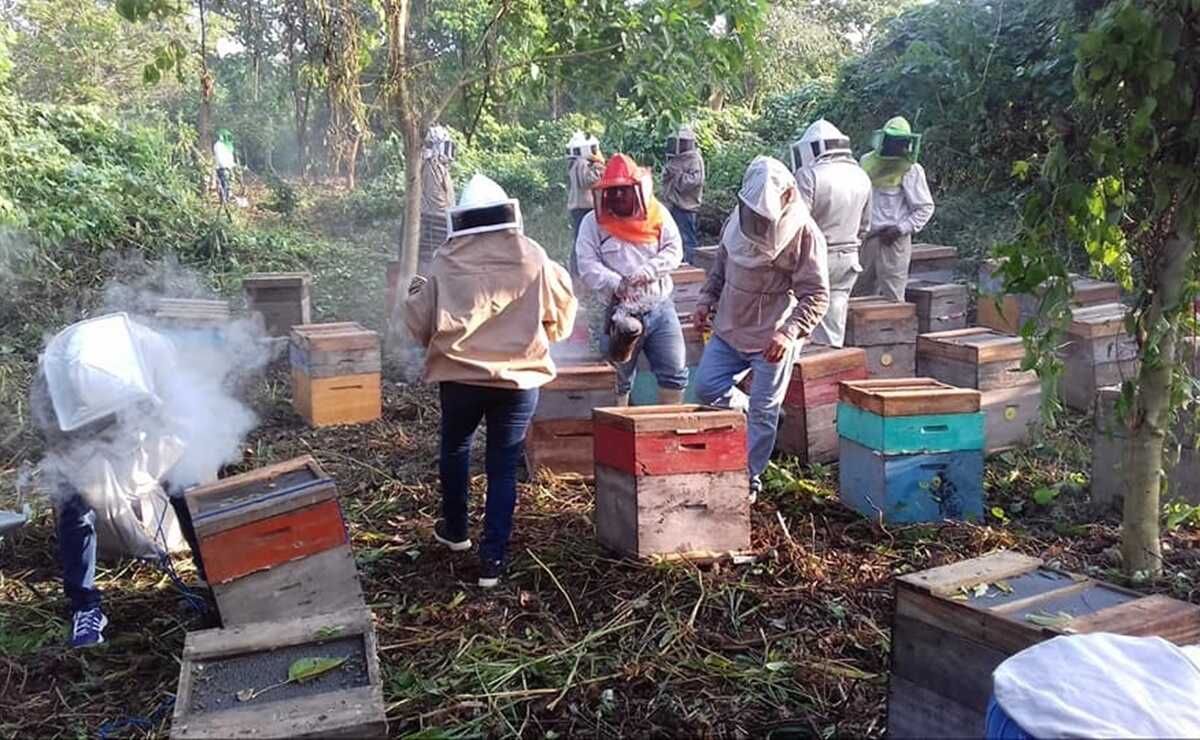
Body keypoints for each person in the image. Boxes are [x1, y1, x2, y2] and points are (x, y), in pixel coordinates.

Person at [406, 174, 577, 588]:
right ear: (507, 215)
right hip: (518, 383)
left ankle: (456, 531)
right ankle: (493, 562)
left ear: (463, 218)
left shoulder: (445, 259)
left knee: (456, 448)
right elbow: (563, 314)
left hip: (460, 380)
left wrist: (415, 294)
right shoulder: (533, 255)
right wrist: (538, 337)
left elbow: (420, 324)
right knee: (503, 468)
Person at [31, 314, 205, 648]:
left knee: (185, 485)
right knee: (74, 506)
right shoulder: (49, 383)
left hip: (148, 427)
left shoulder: (153, 350)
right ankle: (85, 607)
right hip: (84, 442)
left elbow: (181, 412)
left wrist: (158, 437)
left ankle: (210, 577)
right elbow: (54, 441)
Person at [692, 156, 830, 501]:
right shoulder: (735, 222)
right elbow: (720, 268)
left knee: (764, 409)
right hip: (728, 328)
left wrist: (789, 332)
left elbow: (816, 294)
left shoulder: (804, 233)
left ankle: (748, 479)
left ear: (787, 197)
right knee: (707, 387)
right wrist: (705, 299)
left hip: (772, 337)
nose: (756, 221)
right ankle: (748, 412)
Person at [575, 153, 688, 406]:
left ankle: (667, 436)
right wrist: (617, 283)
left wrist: (648, 271)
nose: (616, 197)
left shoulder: (658, 214)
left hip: (659, 306)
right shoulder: (592, 222)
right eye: (611, 191)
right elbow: (586, 263)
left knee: (675, 373)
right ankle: (620, 435)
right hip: (620, 311)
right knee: (617, 378)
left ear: (636, 189)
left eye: (623, 191)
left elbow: (674, 250)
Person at [792, 119, 873, 347]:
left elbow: (797, 223)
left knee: (801, 324)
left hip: (815, 258)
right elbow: (866, 225)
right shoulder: (861, 175)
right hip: (849, 258)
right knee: (833, 328)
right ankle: (828, 376)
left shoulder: (809, 175)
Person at [856, 116, 934, 302]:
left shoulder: (911, 169)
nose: (895, 146)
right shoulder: (866, 162)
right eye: (892, 140)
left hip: (894, 241)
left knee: (893, 298)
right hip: (866, 239)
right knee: (859, 296)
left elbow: (925, 208)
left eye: (900, 142)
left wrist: (900, 229)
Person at [661, 125, 705, 265]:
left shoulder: (695, 159)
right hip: (671, 204)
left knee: (687, 239)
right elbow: (665, 177)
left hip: (686, 206)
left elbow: (694, 182)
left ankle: (690, 265)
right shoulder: (675, 158)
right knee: (671, 237)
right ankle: (676, 263)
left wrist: (677, 175)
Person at [418, 125, 456, 272]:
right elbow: (437, 202)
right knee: (430, 262)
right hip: (434, 222)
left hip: (441, 221)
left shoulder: (438, 166)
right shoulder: (431, 166)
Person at [565, 131, 604, 272]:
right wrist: (598, 167)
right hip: (584, 207)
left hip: (579, 207)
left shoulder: (575, 162)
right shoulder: (581, 163)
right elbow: (588, 182)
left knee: (581, 239)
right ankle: (578, 271)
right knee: (583, 240)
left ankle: (577, 270)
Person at [212, 129, 236, 206]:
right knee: (223, 185)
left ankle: (227, 200)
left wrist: (232, 166)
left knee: (228, 185)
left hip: (228, 168)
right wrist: (224, 166)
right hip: (222, 168)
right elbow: (219, 157)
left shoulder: (228, 145)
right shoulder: (218, 145)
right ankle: (223, 201)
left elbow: (230, 157)